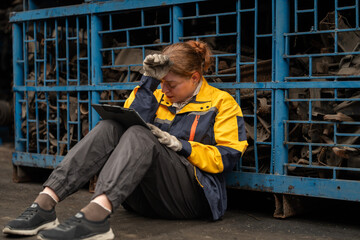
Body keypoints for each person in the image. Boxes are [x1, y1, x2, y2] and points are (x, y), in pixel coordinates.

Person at [3, 40, 248, 240]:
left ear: (195, 78)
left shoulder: (221, 103)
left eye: (171, 84)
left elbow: (228, 158)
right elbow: (131, 119)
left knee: (141, 134)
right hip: (142, 197)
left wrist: (181, 145)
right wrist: (148, 82)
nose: (164, 90)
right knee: (112, 125)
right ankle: (45, 203)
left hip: (191, 200)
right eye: (161, 83)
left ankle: (95, 218)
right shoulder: (157, 93)